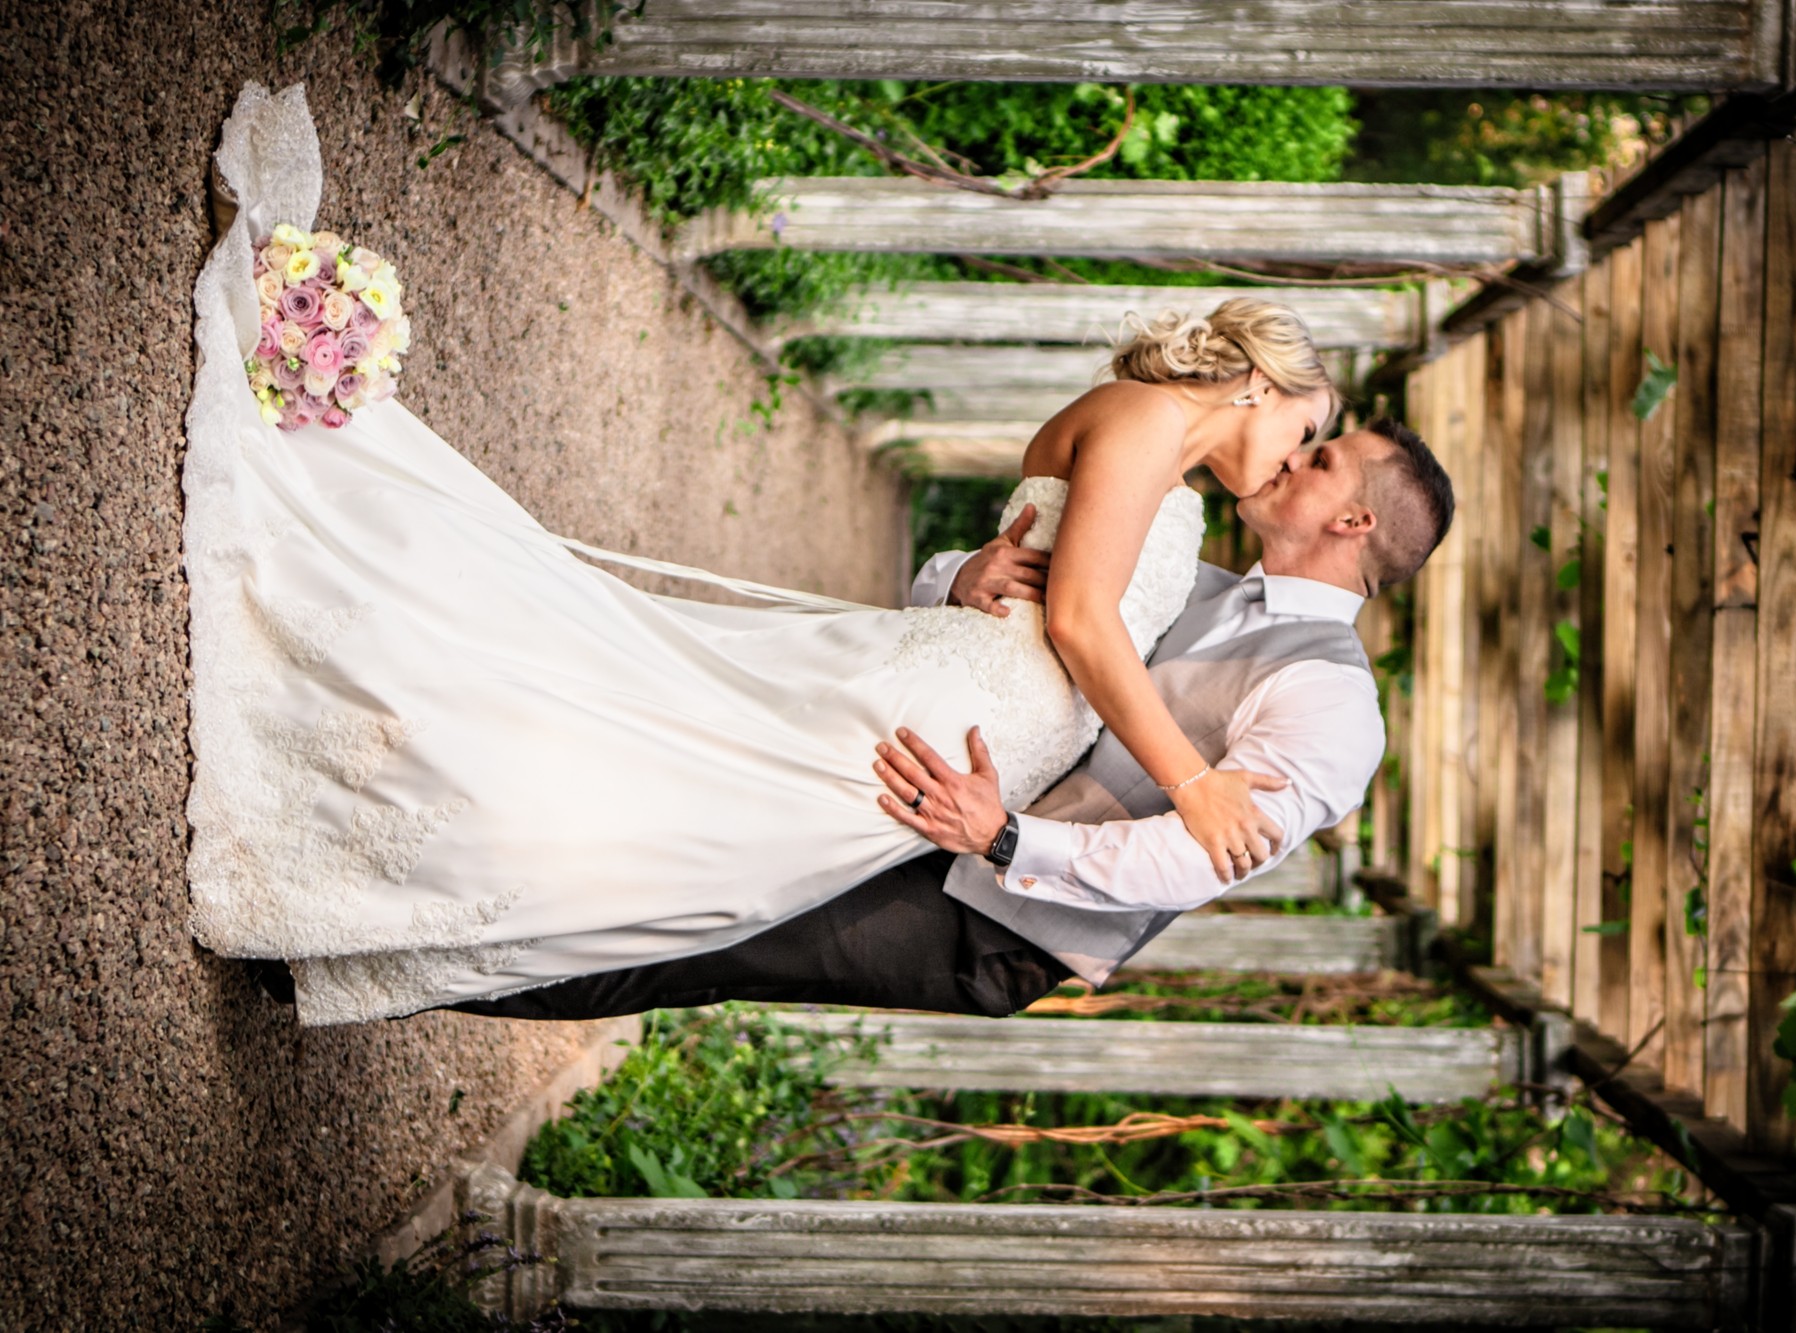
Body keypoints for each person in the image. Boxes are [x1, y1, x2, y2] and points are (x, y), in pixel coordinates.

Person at [192, 85, 1344, 1026]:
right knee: (684, 823)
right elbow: (1088, 623)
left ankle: (360, 921)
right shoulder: (1145, 420)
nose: (1293, 456)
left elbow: (1065, 595)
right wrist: (1192, 787)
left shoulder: (1172, 470)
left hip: (970, 736)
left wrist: (966, 579)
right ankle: (348, 853)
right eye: (1306, 429)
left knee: (695, 865)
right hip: (945, 721)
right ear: (1259, 380)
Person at [431, 415, 1453, 1021]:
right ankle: (424, 892)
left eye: (1318, 458)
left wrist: (1004, 836)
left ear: (1351, 521)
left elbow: (1198, 855)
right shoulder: (1195, 575)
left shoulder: (1331, 706)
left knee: (686, 949)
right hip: (926, 791)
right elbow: (975, 625)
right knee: (675, 855)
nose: (1290, 455)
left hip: (985, 914)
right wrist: (962, 577)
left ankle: (406, 968)